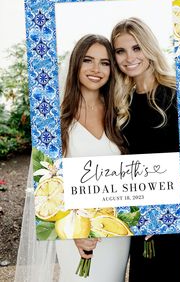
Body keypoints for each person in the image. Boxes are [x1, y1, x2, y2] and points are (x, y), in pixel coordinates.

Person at [111, 17, 180, 282]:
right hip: (135, 215)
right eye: (120, 51)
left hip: (172, 218)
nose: (129, 57)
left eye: (136, 47)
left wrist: (162, 214)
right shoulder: (122, 103)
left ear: (149, 48)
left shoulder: (178, 94)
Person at [56, 34, 130, 282]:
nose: (96, 69)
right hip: (73, 230)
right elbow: (47, 183)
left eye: (105, 62)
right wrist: (74, 230)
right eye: (88, 60)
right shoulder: (56, 116)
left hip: (115, 230)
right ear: (76, 63)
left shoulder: (120, 112)